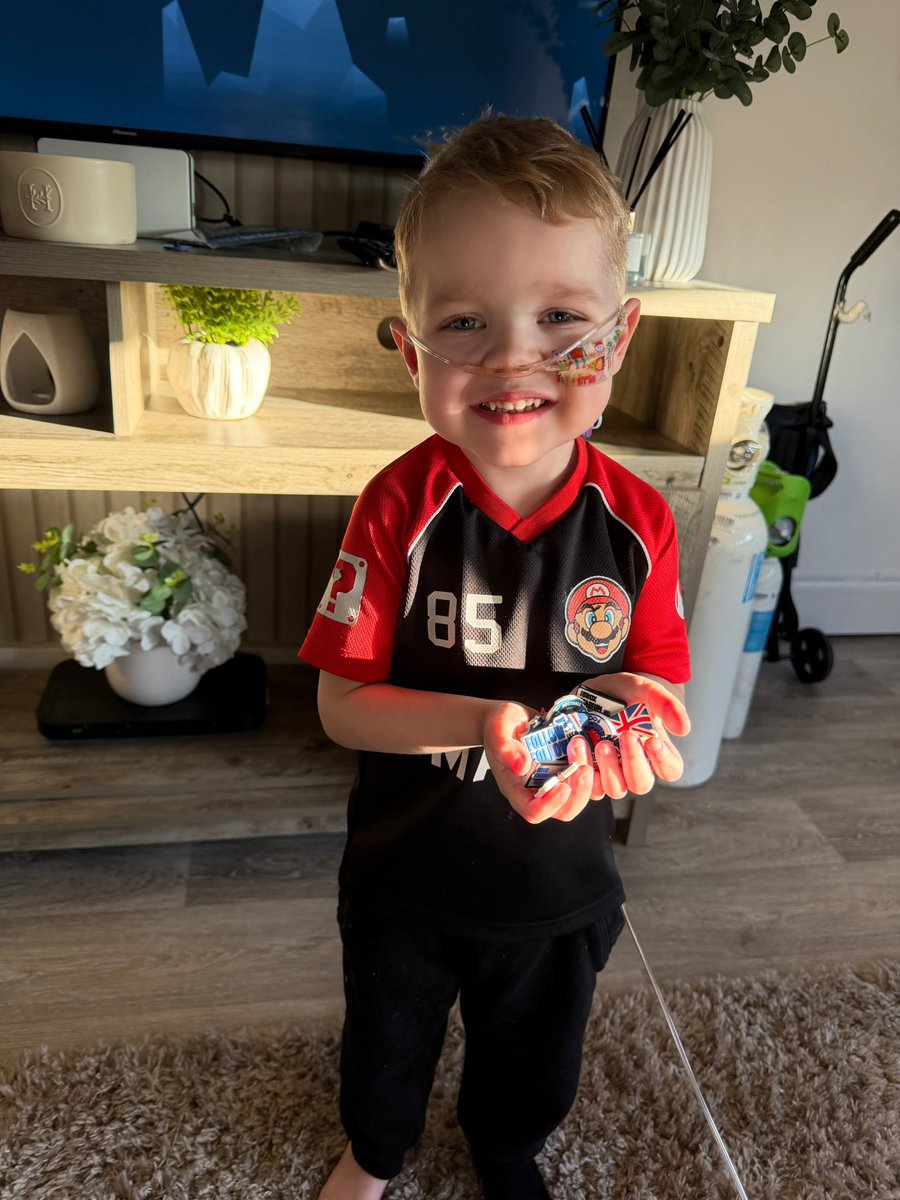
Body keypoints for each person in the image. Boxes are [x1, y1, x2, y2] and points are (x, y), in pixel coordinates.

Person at [299, 114, 691, 1200]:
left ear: (620, 336)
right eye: (465, 320)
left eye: (561, 316)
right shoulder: (396, 507)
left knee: (536, 1055)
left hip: (561, 884)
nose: (515, 357)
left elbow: (657, 682)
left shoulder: (638, 520)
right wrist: (478, 723)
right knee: (385, 1040)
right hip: (405, 874)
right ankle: (374, 1154)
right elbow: (342, 703)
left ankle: (507, 1149)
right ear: (411, 348)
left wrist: (639, 718)